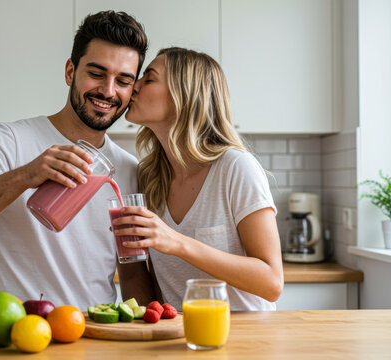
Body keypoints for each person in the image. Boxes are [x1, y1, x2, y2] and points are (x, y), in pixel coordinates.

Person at [0, 11, 148, 311]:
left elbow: (133, 273)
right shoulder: (11, 140)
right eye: (96, 73)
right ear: (71, 71)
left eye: (123, 80)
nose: (108, 91)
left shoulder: (128, 169)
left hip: (95, 335)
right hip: (16, 333)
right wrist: (25, 175)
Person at [117, 47, 284, 311]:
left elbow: (272, 283)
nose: (132, 86)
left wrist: (177, 243)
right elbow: (151, 285)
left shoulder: (236, 168)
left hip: (246, 341)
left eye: (148, 79)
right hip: (179, 341)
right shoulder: (149, 178)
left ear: (183, 95)